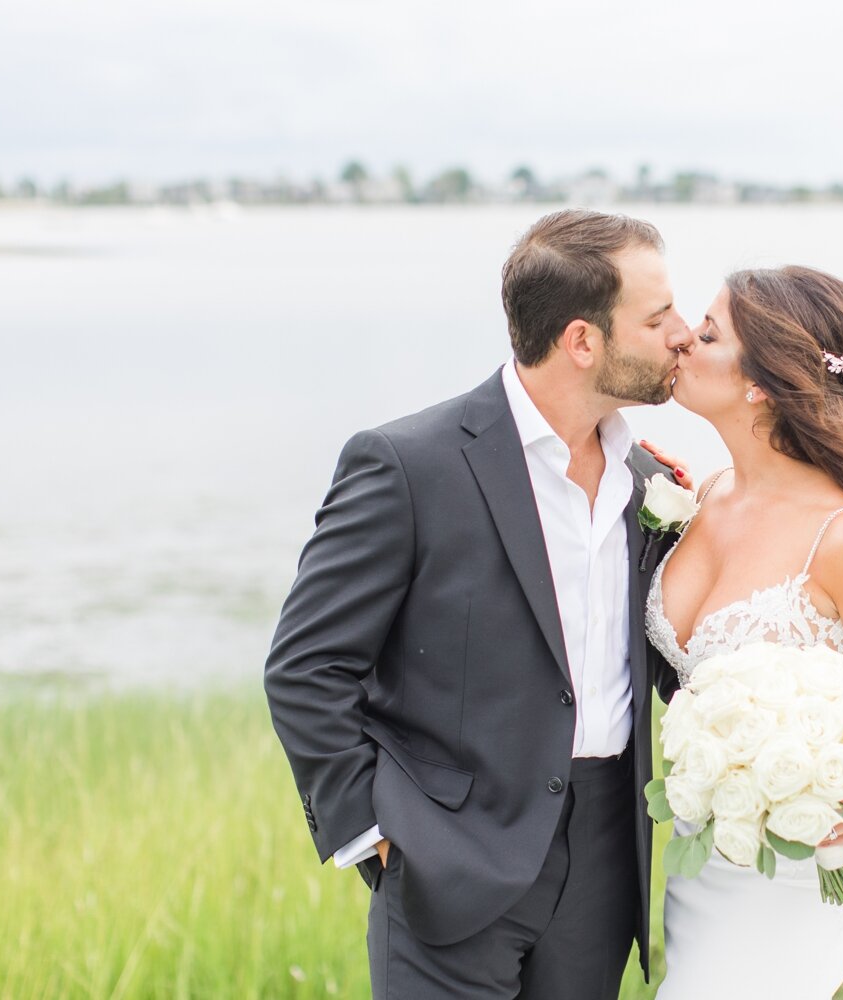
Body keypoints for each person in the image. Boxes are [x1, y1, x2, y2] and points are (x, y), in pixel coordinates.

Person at [263, 209, 690, 999]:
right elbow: (306, 667)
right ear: (583, 341)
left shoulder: (652, 483)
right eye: (659, 317)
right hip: (448, 857)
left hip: (604, 857)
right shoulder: (408, 464)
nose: (684, 334)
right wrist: (375, 833)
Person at [644, 266, 843, 998]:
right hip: (706, 852)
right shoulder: (708, 495)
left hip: (800, 865)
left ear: (761, 382)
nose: (683, 341)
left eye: (710, 332)